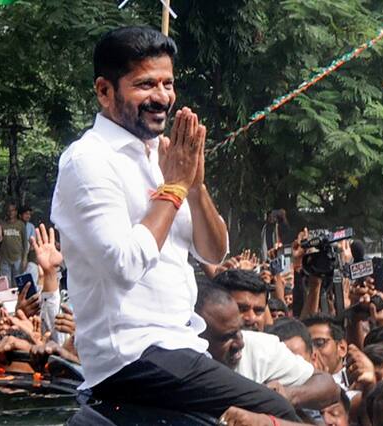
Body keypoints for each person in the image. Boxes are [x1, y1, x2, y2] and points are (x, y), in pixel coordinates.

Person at [51, 26, 298, 421]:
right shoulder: (88, 161)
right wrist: (174, 187)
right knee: (277, 412)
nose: (162, 97)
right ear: (104, 90)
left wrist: (195, 187)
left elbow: (214, 251)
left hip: (181, 345)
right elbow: (125, 264)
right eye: (145, 84)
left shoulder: (164, 156)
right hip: (131, 356)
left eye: (168, 83)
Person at [195, 283, 339, 411]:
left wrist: (288, 395)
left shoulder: (260, 348)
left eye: (239, 331)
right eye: (226, 337)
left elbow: (329, 387)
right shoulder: (183, 366)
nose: (240, 343)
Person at [0, 203, 27, 284]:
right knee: (5, 282)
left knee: (17, 282)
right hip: (4, 258)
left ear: (16, 212)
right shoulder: (1, 224)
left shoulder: (21, 225)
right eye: (8, 211)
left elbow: (25, 243)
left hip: (18, 258)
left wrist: (24, 259)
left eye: (13, 210)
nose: (10, 213)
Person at [19, 206, 38, 284]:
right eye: (26, 214)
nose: (28, 216)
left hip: (27, 254)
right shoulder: (16, 225)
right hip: (15, 254)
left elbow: (32, 243)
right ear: (20, 215)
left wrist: (28, 256)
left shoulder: (31, 226)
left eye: (29, 214)